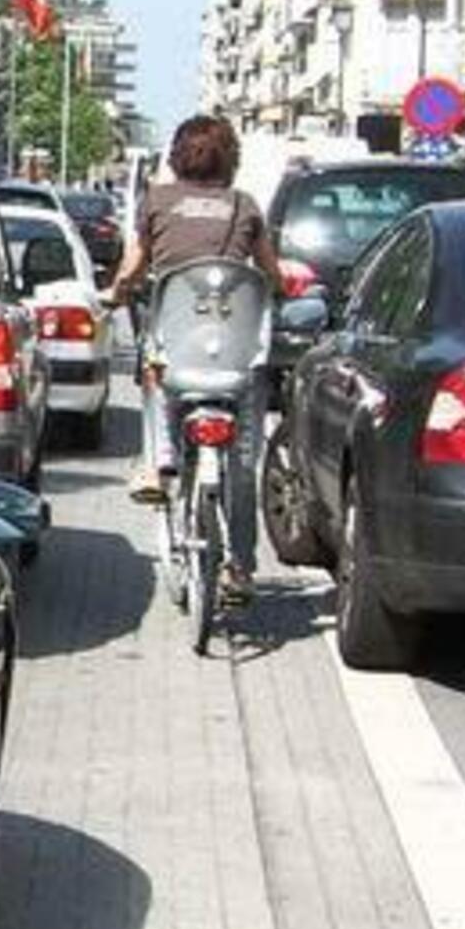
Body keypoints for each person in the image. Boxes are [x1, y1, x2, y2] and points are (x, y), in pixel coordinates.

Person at [107, 114, 284, 602]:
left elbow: (132, 268)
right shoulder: (245, 207)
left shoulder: (157, 202)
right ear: (230, 159)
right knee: (244, 464)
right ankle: (241, 568)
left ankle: (158, 462)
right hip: (236, 362)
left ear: (177, 156)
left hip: (175, 359)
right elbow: (273, 276)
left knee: (152, 372)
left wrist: (116, 293)